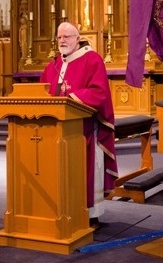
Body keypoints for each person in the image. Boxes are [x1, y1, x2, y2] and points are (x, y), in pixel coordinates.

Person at [40, 22, 118, 227]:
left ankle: (90, 214)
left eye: (67, 36)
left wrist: (71, 97)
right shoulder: (54, 64)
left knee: (87, 170)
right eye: (59, 37)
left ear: (78, 38)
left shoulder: (92, 59)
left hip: (85, 130)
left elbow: (99, 93)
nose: (62, 41)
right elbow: (40, 92)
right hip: (56, 131)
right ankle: (62, 210)